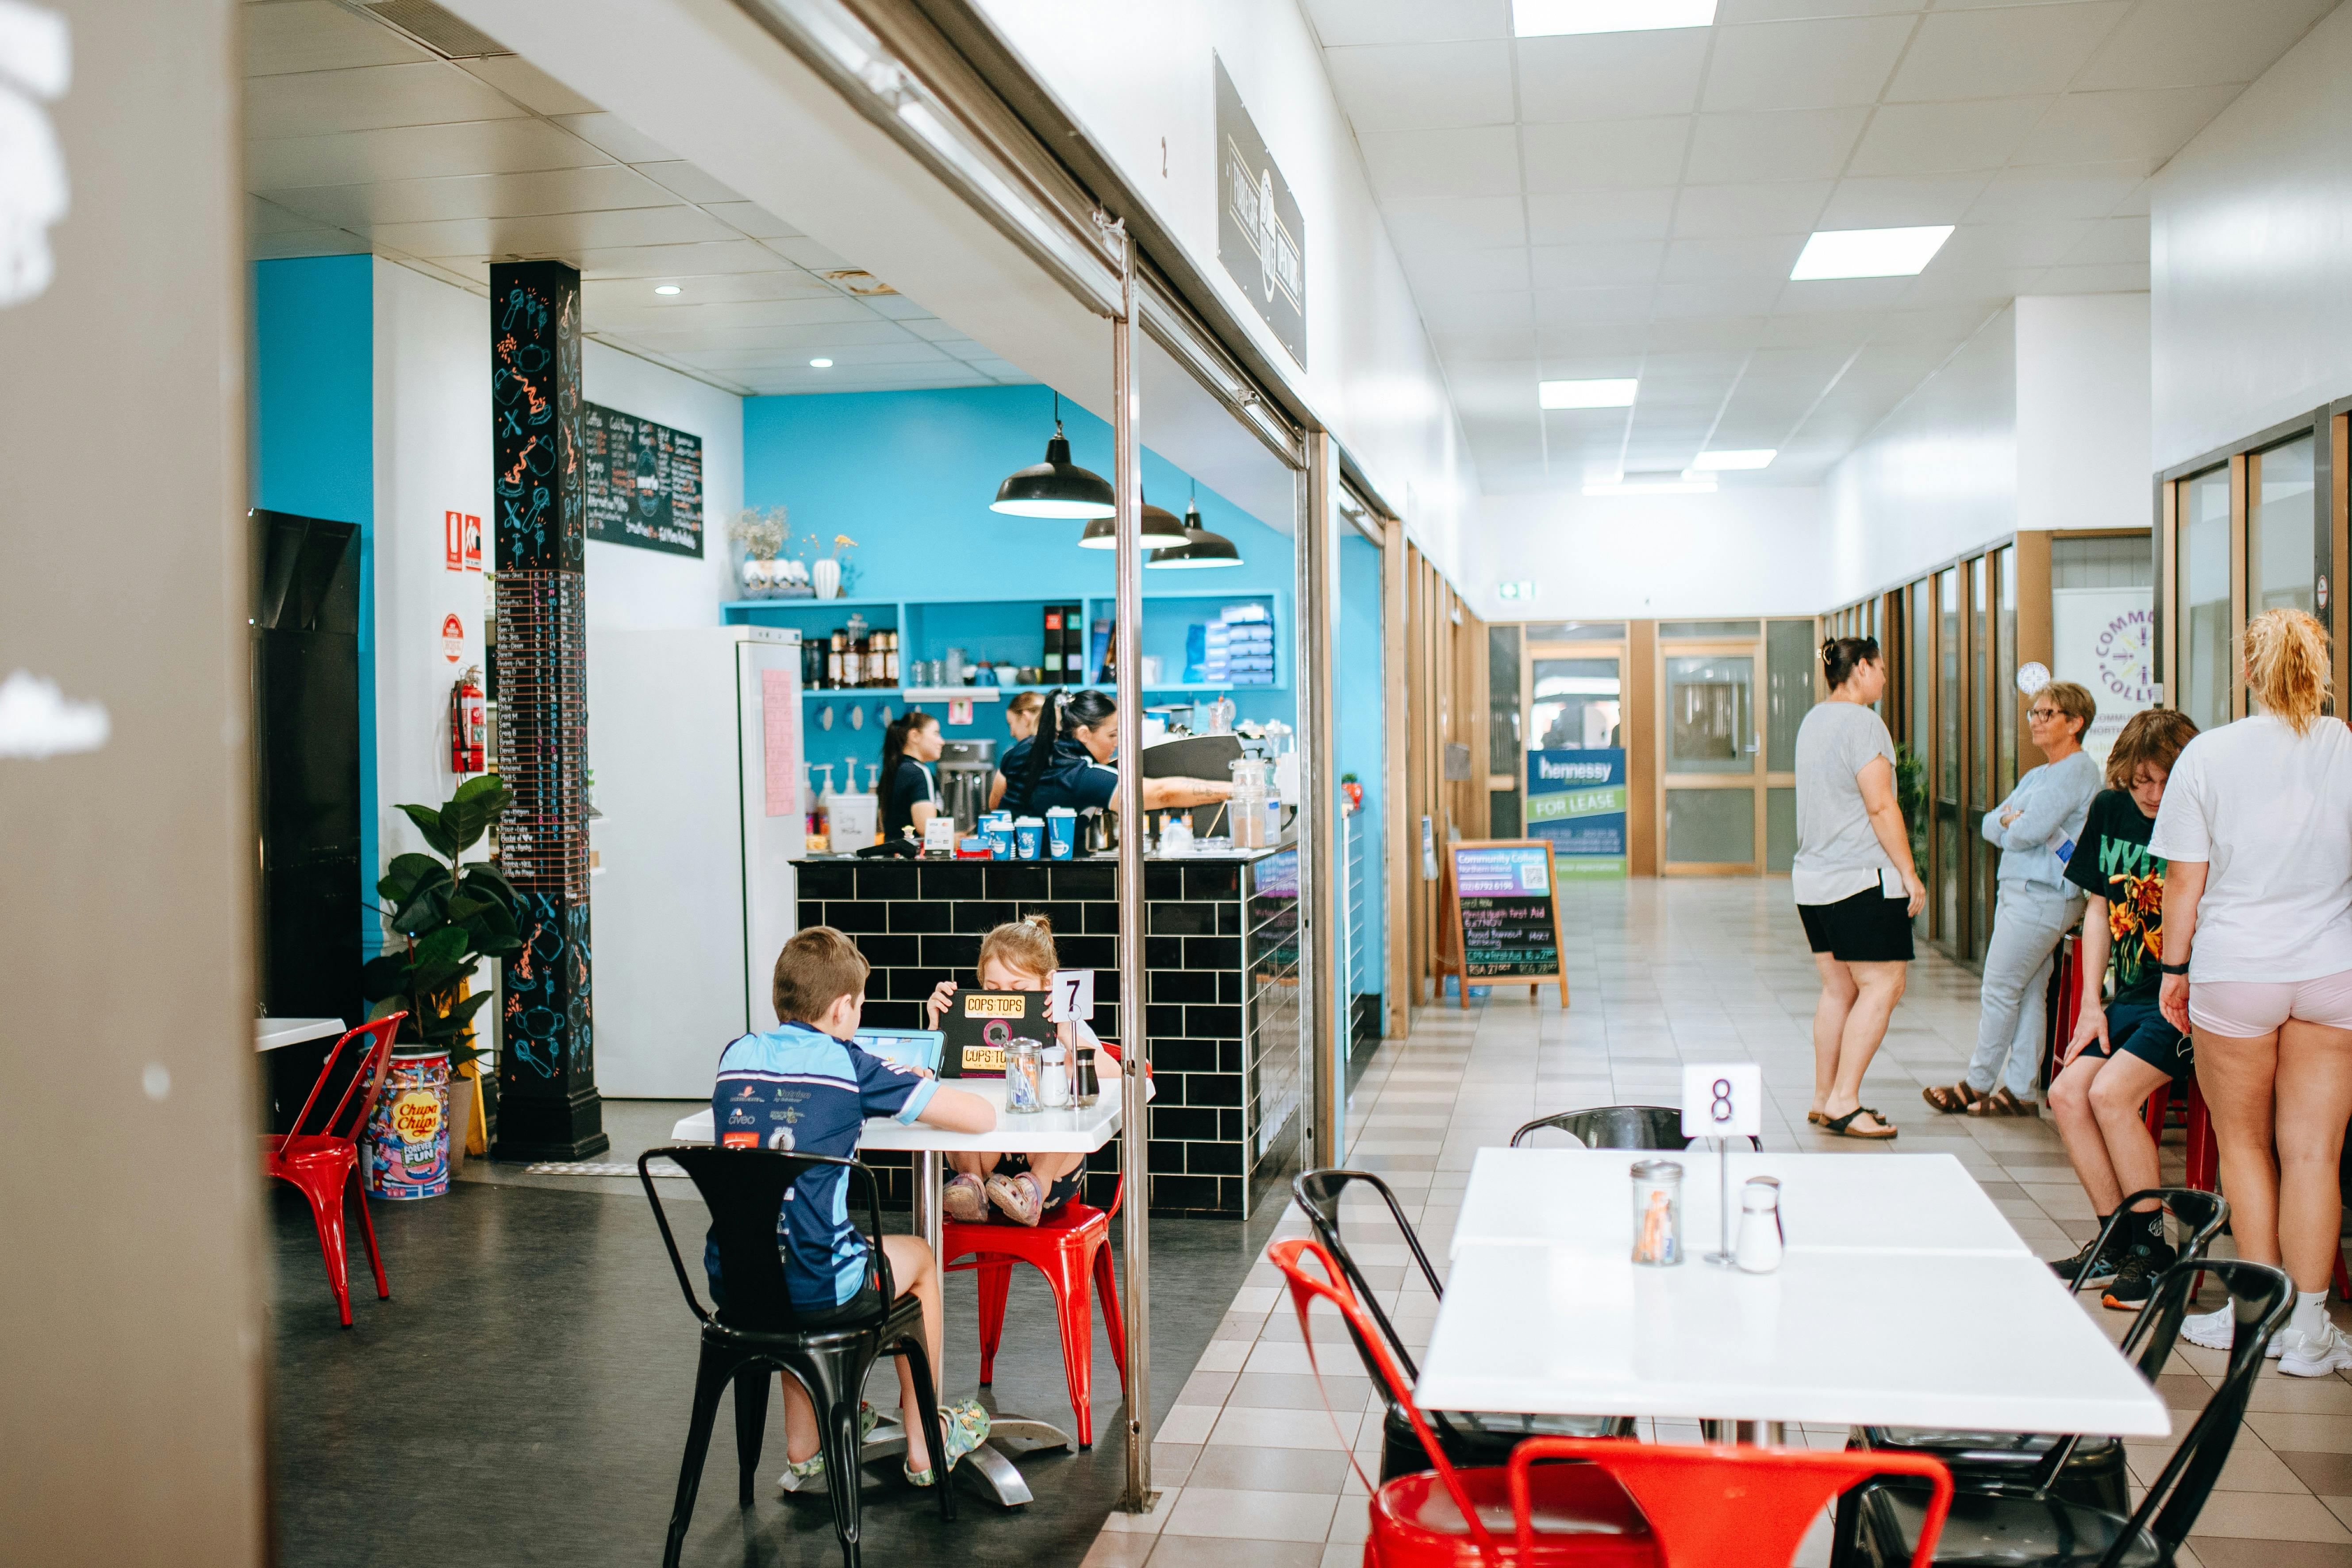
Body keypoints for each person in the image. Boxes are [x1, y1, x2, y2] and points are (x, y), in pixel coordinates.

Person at [711, 926, 999, 1486]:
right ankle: (925, 1442)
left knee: (785, 1248)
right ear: (843, 1007)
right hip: (821, 1289)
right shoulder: (852, 1065)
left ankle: (805, 1445)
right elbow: (980, 1118)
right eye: (860, 1006)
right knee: (918, 1258)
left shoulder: (735, 1054)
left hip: (737, 1284)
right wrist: (903, 1081)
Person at [2153, 608, 2352, 1372]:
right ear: (2317, 668)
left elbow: (2182, 880)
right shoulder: (2342, 747)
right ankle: (2308, 1330)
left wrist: (2174, 970)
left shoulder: (2210, 754)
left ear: (2248, 673)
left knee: (2244, 1143)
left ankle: (2253, 1316)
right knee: (2313, 1151)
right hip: (2333, 970)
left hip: (2237, 969)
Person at [2043, 708, 2200, 1308]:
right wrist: (2089, 1005)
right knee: (2066, 1094)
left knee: (2109, 1095)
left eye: (2166, 782)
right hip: (2130, 995)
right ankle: (2116, 1239)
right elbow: (2099, 911)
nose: (2153, 795)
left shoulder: (2201, 820)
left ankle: (2156, 1250)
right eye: (2142, 782)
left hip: (2186, 1000)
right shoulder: (2110, 811)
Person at [1923, 682, 2102, 1118]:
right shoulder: (2038, 775)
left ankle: (1977, 1083)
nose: (2036, 721)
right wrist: (2010, 819)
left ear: (2075, 723)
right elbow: (1990, 823)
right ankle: (2021, 1091)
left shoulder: (2077, 770)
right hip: (2022, 892)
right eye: (2033, 713)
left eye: (2048, 713)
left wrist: (2014, 822)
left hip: (2044, 896)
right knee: (2027, 992)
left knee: (2000, 987)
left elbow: (2026, 832)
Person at [1793, 636, 1925, 1140]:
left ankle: (1824, 1096)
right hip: (1860, 879)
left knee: (1838, 987)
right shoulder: (1865, 723)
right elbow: (1881, 806)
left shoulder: (1814, 720)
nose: (1885, 678)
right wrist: (1910, 873)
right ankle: (1846, 1101)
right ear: (1863, 668)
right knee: (1884, 984)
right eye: (1882, 668)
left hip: (1812, 880)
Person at [924, 915, 1103, 1224]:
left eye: (1018, 988)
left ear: (1048, 984)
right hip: (979, 1167)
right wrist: (938, 1029)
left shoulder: (1065, 1021)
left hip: (1050, 1175)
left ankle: (1036, 1186)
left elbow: (1113, 1076)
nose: (1004, 997)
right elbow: (924, 1080)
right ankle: (970, 1185)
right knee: (953, 1101)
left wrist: (1066, 1033)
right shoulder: (970, 1022)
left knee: (1064, 1107)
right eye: (993, 988)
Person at [997, 688, 1232, 819]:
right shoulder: (1081, 776)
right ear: (1083, 734)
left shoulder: (1022, 750)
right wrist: (1235, 789)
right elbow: (1162, 794)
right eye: (1112, 736)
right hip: (1047, 884)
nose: (1117, 744)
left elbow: (995, 802)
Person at [879, 709, 943, 843]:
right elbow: (927, 830)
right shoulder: (920, 773)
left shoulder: (895, 769)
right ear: (915, 736)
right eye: (936, 734)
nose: (942, 742)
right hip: (914, 860)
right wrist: (953, 839)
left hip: (891, 857)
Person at [988, 691, 1045, 811]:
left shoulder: (1015, 756)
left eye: (1011, 724)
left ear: (1025, 718)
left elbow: (995, 804)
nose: (1012, 733)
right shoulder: (1066, 750)